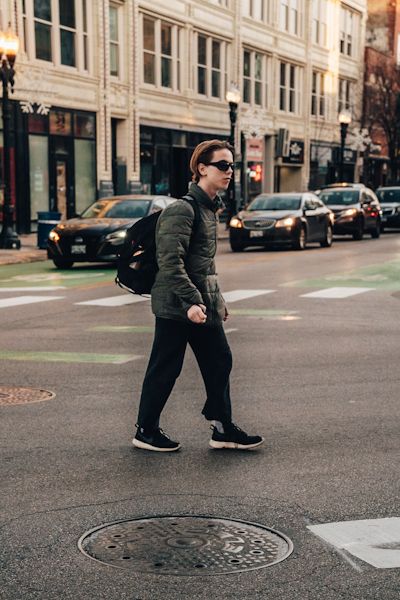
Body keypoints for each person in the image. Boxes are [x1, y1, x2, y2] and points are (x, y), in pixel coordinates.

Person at [132, 139, 264, 452]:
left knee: (220, 359)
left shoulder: (208, 210)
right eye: (222, 165)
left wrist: (216, 301)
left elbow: (205, 265)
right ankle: (145, 430)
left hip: (200, 305)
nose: (229, 171)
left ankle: (222, 428)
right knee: (165, 368)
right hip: (176, 304)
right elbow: (169, 263)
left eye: (232, 165)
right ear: (201, 169)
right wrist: (192, 301)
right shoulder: (182, 210)